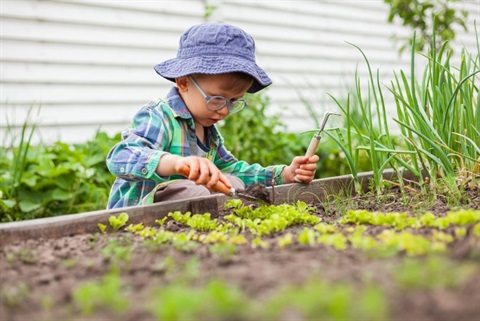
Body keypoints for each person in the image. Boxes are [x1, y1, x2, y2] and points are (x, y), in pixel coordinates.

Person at [106, 22, 319, 209]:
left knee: (232, 184)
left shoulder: (209, 132)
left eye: (233, 101)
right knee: (196, 193)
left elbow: (232, 170)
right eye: (216, 99)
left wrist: (282, 175)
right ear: (183, 82)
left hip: (187, 206)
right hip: (139, 213)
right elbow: (120, 156)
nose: (224, 110)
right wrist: (175, 163)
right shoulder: (159, 116)